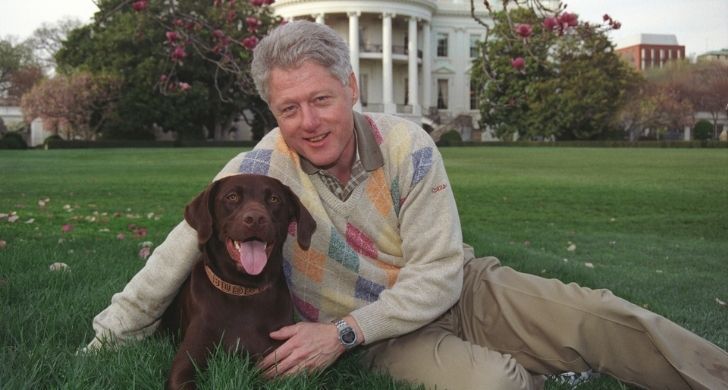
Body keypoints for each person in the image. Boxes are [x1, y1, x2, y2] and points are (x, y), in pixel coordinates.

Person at [87, 20, 728, 389]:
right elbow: (171, 261)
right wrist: (106, 338)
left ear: (351, 87)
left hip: (460, 289)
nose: (308, 121)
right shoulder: (259, 171)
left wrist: (338, 332)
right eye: (289, 108)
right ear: (273, 111)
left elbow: (442, 270)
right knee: (496, 384)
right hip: (378, 335)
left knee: (599, 317)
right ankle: (543, 369)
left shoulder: (405, 146)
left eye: (322, 99)